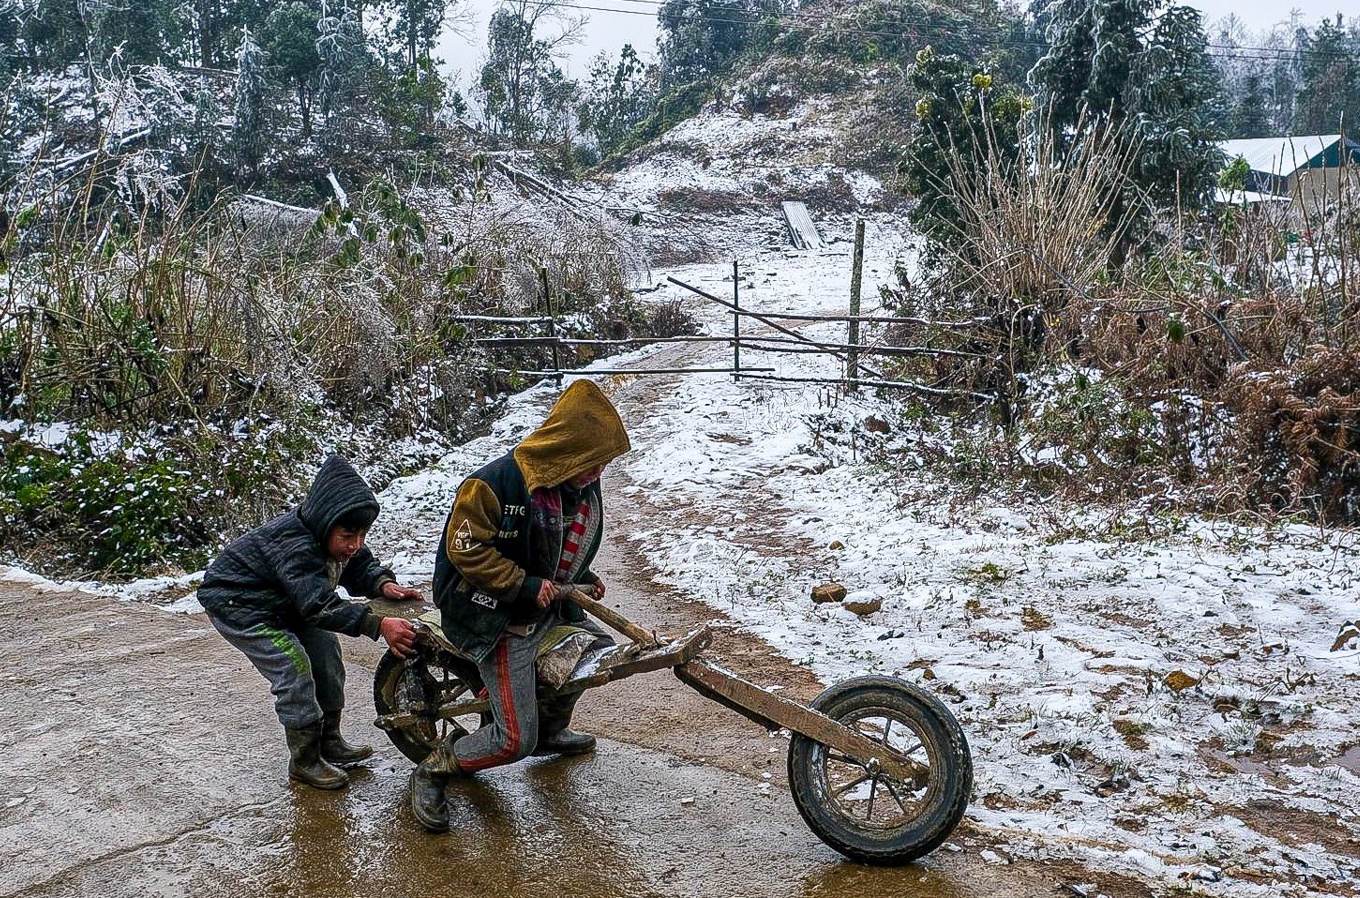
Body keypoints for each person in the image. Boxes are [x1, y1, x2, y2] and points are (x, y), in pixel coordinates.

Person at [409, 379, 631, 832]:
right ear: (567, 449)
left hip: (539, 605)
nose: (599, 472)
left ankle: (549, 728)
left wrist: (577, 579)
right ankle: (434, 766)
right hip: (494, 611)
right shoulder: (492, 485)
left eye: (603, 463)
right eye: (594, 461)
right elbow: (466, 551)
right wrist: (524, 586)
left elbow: (555, 547)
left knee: (595, 655)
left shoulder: (579, 485)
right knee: (514, 740)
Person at [199, 454, 420, 790]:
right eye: (348, 535)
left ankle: (329, 740)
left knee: (327, 657)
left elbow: (359, 563)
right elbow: (319, 605)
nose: (355, 544)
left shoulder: (333, 534)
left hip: (288, 603)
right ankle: (304, 760)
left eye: (361, 534)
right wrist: (377, 624)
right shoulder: (295, 546)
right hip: (242, 607)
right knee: (295, 669)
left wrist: (381, 584)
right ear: (325, 522)